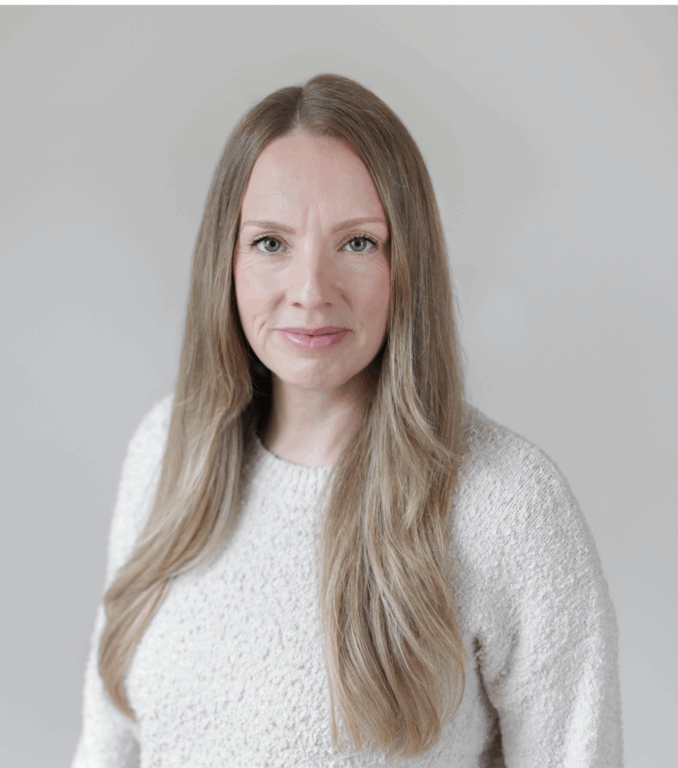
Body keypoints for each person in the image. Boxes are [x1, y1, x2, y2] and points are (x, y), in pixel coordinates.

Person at [71, 74, 623, 767]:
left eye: (357, 243)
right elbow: (108, 746)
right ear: (228, 262)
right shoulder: (166, 454)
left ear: (408, 261)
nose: (311, 292)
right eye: (271, 243)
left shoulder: (505, 500)